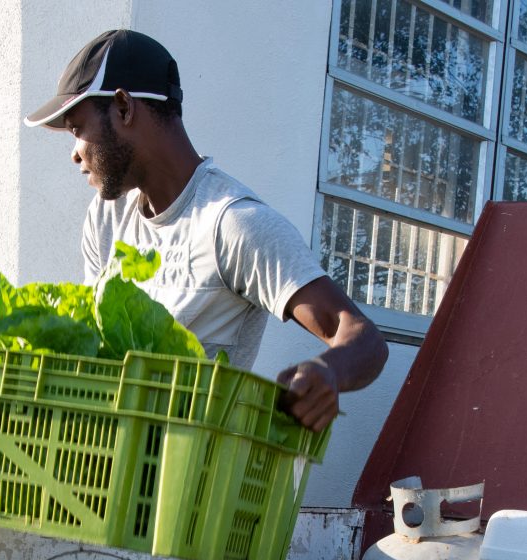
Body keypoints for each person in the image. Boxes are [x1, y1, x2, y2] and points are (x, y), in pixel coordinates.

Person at [25, 29, 386, 433]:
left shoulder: (231, 224)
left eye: (77, 129)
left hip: (188, 478)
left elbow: (363, 338)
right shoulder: (105, 218)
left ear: (124, 107)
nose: (74, 153)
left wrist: (328, 372)